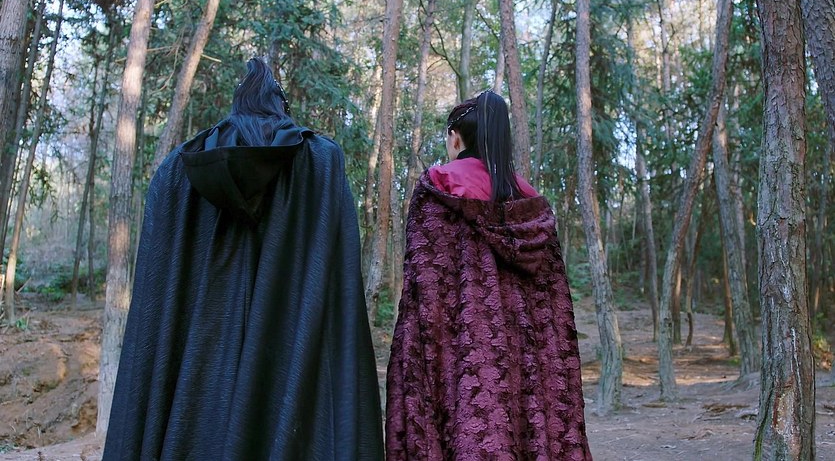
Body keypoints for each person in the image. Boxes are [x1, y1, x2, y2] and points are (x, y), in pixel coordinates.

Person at [103, 58, 384, 460]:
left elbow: (156, 308)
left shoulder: (176, 170)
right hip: (290, 371)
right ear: (281, 107)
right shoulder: (320, 163)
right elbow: (338, 295)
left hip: (196, 399)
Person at [385, 90, 592, 460]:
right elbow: (553, 312)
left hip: (459, 361)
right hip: (523, 369)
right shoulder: (530, 203)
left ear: (456, 138)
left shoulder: (436, 187)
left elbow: (425, 291)